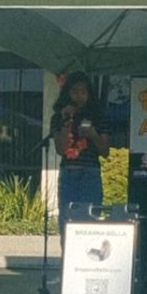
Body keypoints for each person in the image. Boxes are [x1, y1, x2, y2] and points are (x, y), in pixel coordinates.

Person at [50, 73, 110, 238]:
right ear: (67, 94)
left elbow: (105, 151)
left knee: (91, 216)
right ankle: (68, 258)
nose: (79, 96)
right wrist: (66, 120)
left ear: (89, 95)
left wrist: (93, 135)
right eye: (75, 92)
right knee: (67, 218)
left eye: (83, 92)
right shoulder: (58, 118)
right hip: (69, 172)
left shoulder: (98, 116)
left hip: (89, 172)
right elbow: (60, 149)